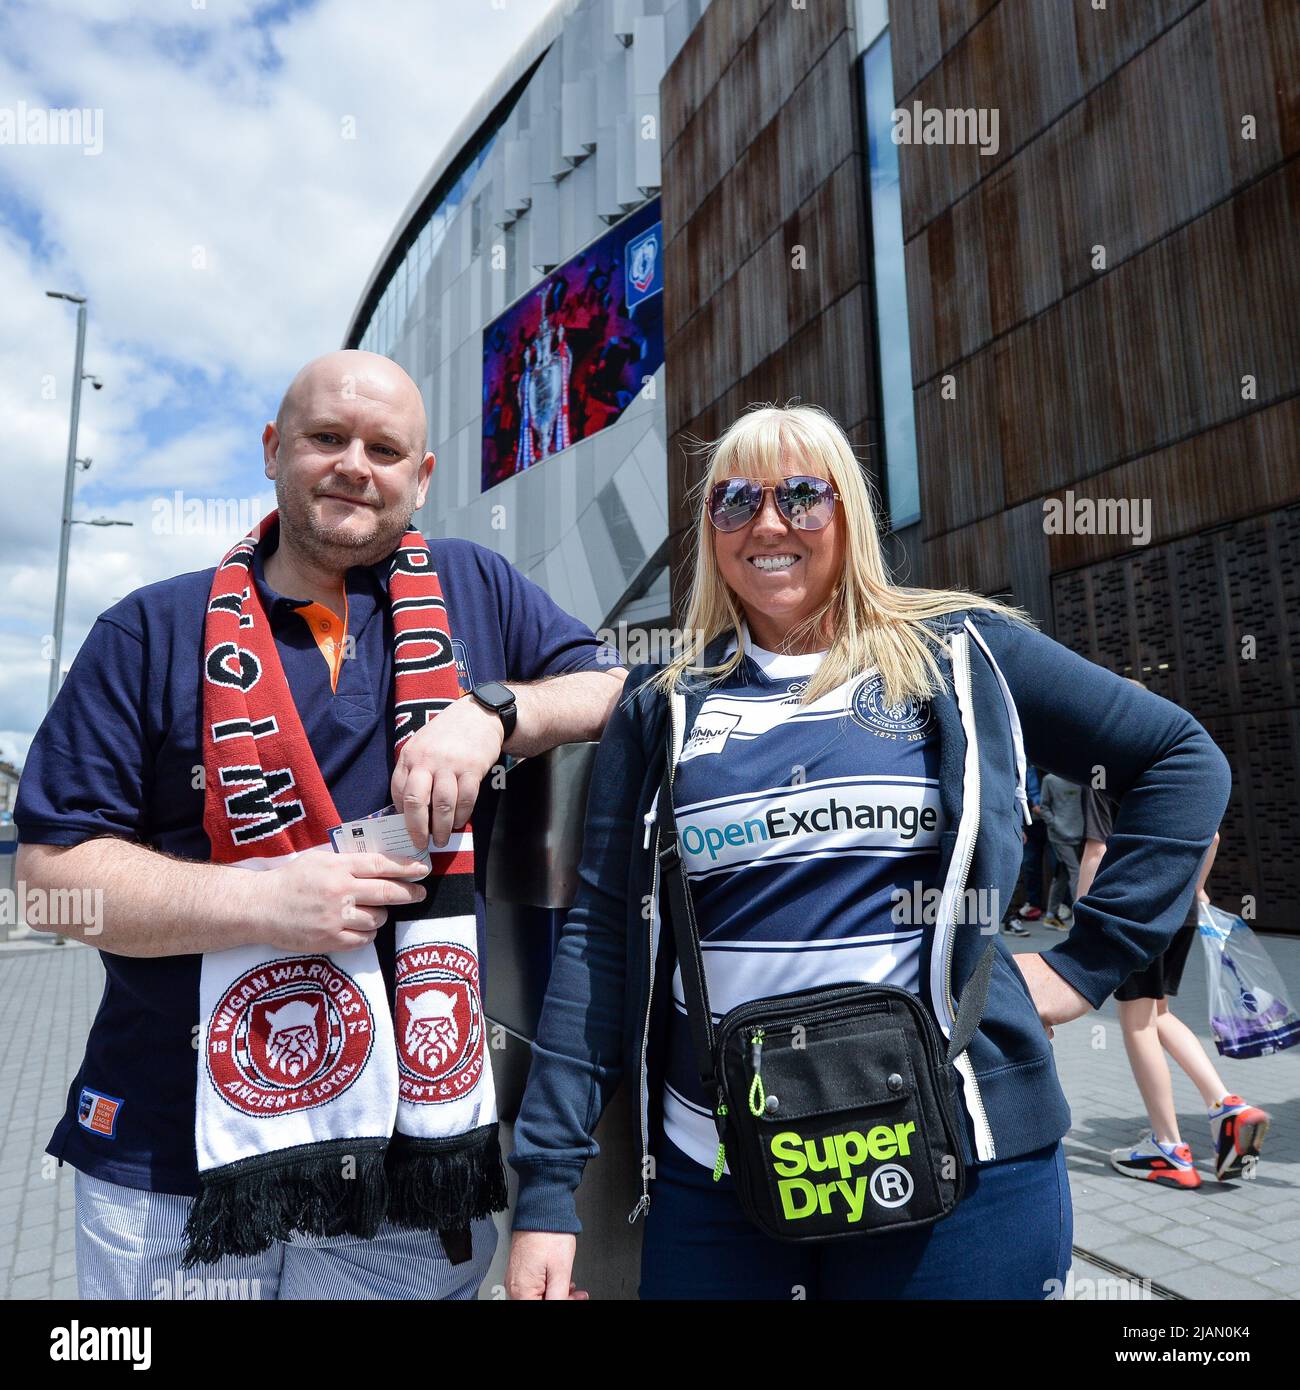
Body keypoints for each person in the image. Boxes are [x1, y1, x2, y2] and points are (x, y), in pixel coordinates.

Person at [503, 403, 1231, 1301]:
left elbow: (1181, 761)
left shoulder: (963, 652)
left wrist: (1084, 968)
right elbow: (600, 942)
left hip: (962, 1165)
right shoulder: (664, 706)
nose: (768, 524)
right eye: (734, 502)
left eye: (802, 496)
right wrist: (546, 1192)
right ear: (711, 532)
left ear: (847, 511)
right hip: (721, 1176)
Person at [15, 350, 627, 1300]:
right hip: (173, 1169)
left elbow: (618, 689)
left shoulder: (480, 588)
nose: (355, 464)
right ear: (272, 450)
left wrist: (494, 713)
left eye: (386, 449)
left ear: (422, 478)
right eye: (327, 438)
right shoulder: (150, 628)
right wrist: (257, 902)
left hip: (409, 1174)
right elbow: (51, 882)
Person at [1078, 792, 1271, 1188]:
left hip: (1132, 910)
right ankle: (1227, 1107)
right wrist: (1197, 890)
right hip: (1180, 909)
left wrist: (1083, 919)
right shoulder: (1175, 761)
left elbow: (1097, 849)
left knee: (1136, 1023)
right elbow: (1212, 838)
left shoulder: (1103, 770)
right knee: (1157, 1013)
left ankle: (1168, 1146)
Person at [1037, 771, 1085, 930]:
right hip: (1059, 836)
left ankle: (1050, 916)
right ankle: (1080, 919)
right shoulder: (1050, 780)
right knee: (1075, 872)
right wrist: (1056, 824)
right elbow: (1043, 807)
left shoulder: (1080, 779)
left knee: (1062, 875)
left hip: (1078, 832)